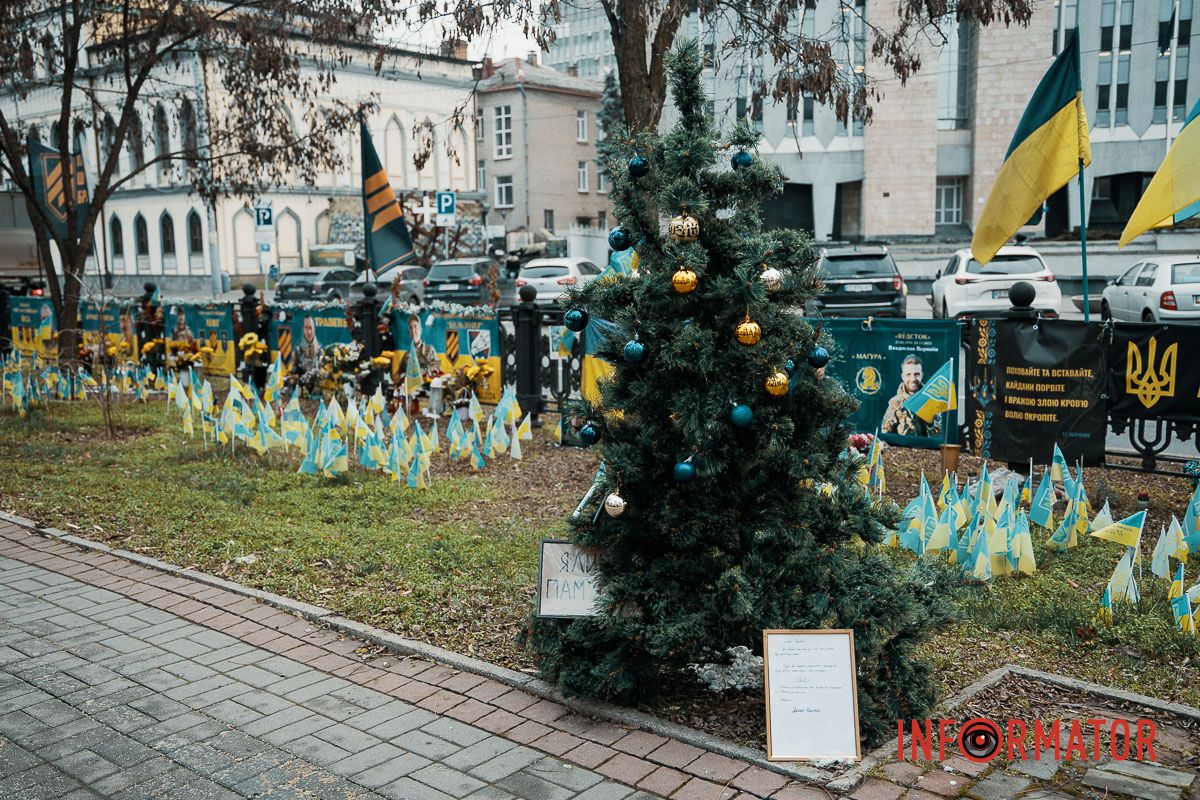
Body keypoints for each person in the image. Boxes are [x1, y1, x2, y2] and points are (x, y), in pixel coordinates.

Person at [881, 354, 942, 437]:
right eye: (908, 374)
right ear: (903, 376)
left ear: (922, 375)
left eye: (916, 374)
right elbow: (885, 434)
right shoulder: (895, 403)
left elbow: (940, 434)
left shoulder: (931, 400)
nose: (913, 379)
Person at [402, 313, 437, 379]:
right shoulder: (407, 355)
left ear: (421, 330)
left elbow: (437, 368)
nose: (413, 330)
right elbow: (400, 374)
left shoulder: (430, 350)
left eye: (415, 326)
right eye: (411, 328)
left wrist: (421, 372)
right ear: (409, 332)